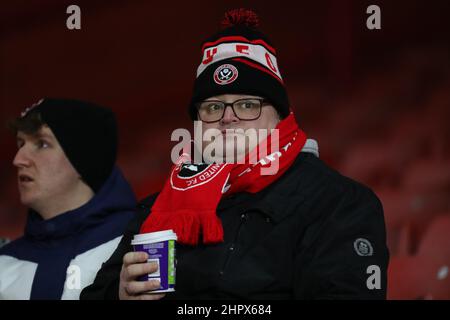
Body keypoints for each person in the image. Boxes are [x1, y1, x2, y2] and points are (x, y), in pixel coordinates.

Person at [81, 8, 389, 300]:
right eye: (213, 107)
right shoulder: (158, 208)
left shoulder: (339, 203)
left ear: (281, 117)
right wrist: (118, 295)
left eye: (247, 105)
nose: (228, 118)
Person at [0, 98, 137, 299]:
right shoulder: (5, 261)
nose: (18, 159)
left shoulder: (137, 247)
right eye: (20, 143)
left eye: (42, 144)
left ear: (84, 159)